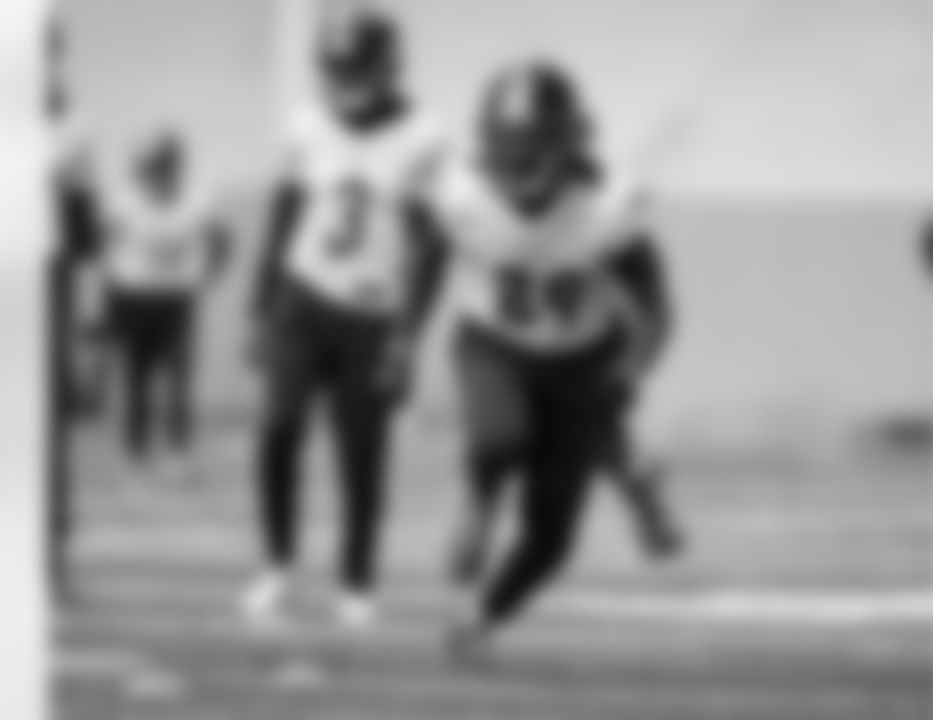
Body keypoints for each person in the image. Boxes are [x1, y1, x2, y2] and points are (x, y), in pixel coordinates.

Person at [422, 58, 677, 658]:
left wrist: (635, 367)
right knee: (498, 436)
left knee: (552, 535)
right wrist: (403, 337)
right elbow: (425, 259)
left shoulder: (608, 204)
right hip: (493, 343)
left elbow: (658, 307)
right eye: (504, 146)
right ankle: (480, 504)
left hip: (578, 363)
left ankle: (482, 618)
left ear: (566, 142)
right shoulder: (459, 191)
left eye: (530, 147)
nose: (514, 162)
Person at [241, 2, 447, 631]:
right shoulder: (305, 124)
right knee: (278, 428)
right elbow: (282, 215)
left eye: (355, 67)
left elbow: (433, 246)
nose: (343, 81)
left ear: (387, 66)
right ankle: (277, 565)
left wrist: (410, 333)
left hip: (373, 315)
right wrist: (258, 307)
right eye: (334, 68)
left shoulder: (425, 137)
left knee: (362, 454)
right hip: (303, 300)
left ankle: (357, 582)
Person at [99, 130, 228, 485]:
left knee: (179, 380)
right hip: (133, 297)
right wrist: (111, 306)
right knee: (137, 380)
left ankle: (178, 452)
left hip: (176, 301)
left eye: (162, 168)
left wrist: (206, 276)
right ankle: (135, 453)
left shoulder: (199, 199)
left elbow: (221, 241)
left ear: (175, 168)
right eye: (149, 170)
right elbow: (107, 249)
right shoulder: (124, 201)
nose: (155, 177)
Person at [48, 17, 107, 606]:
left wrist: (91, 327)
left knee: (44, 436)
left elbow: (86, 236)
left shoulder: (72, 129)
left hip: (44, 288)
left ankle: (50, 557)